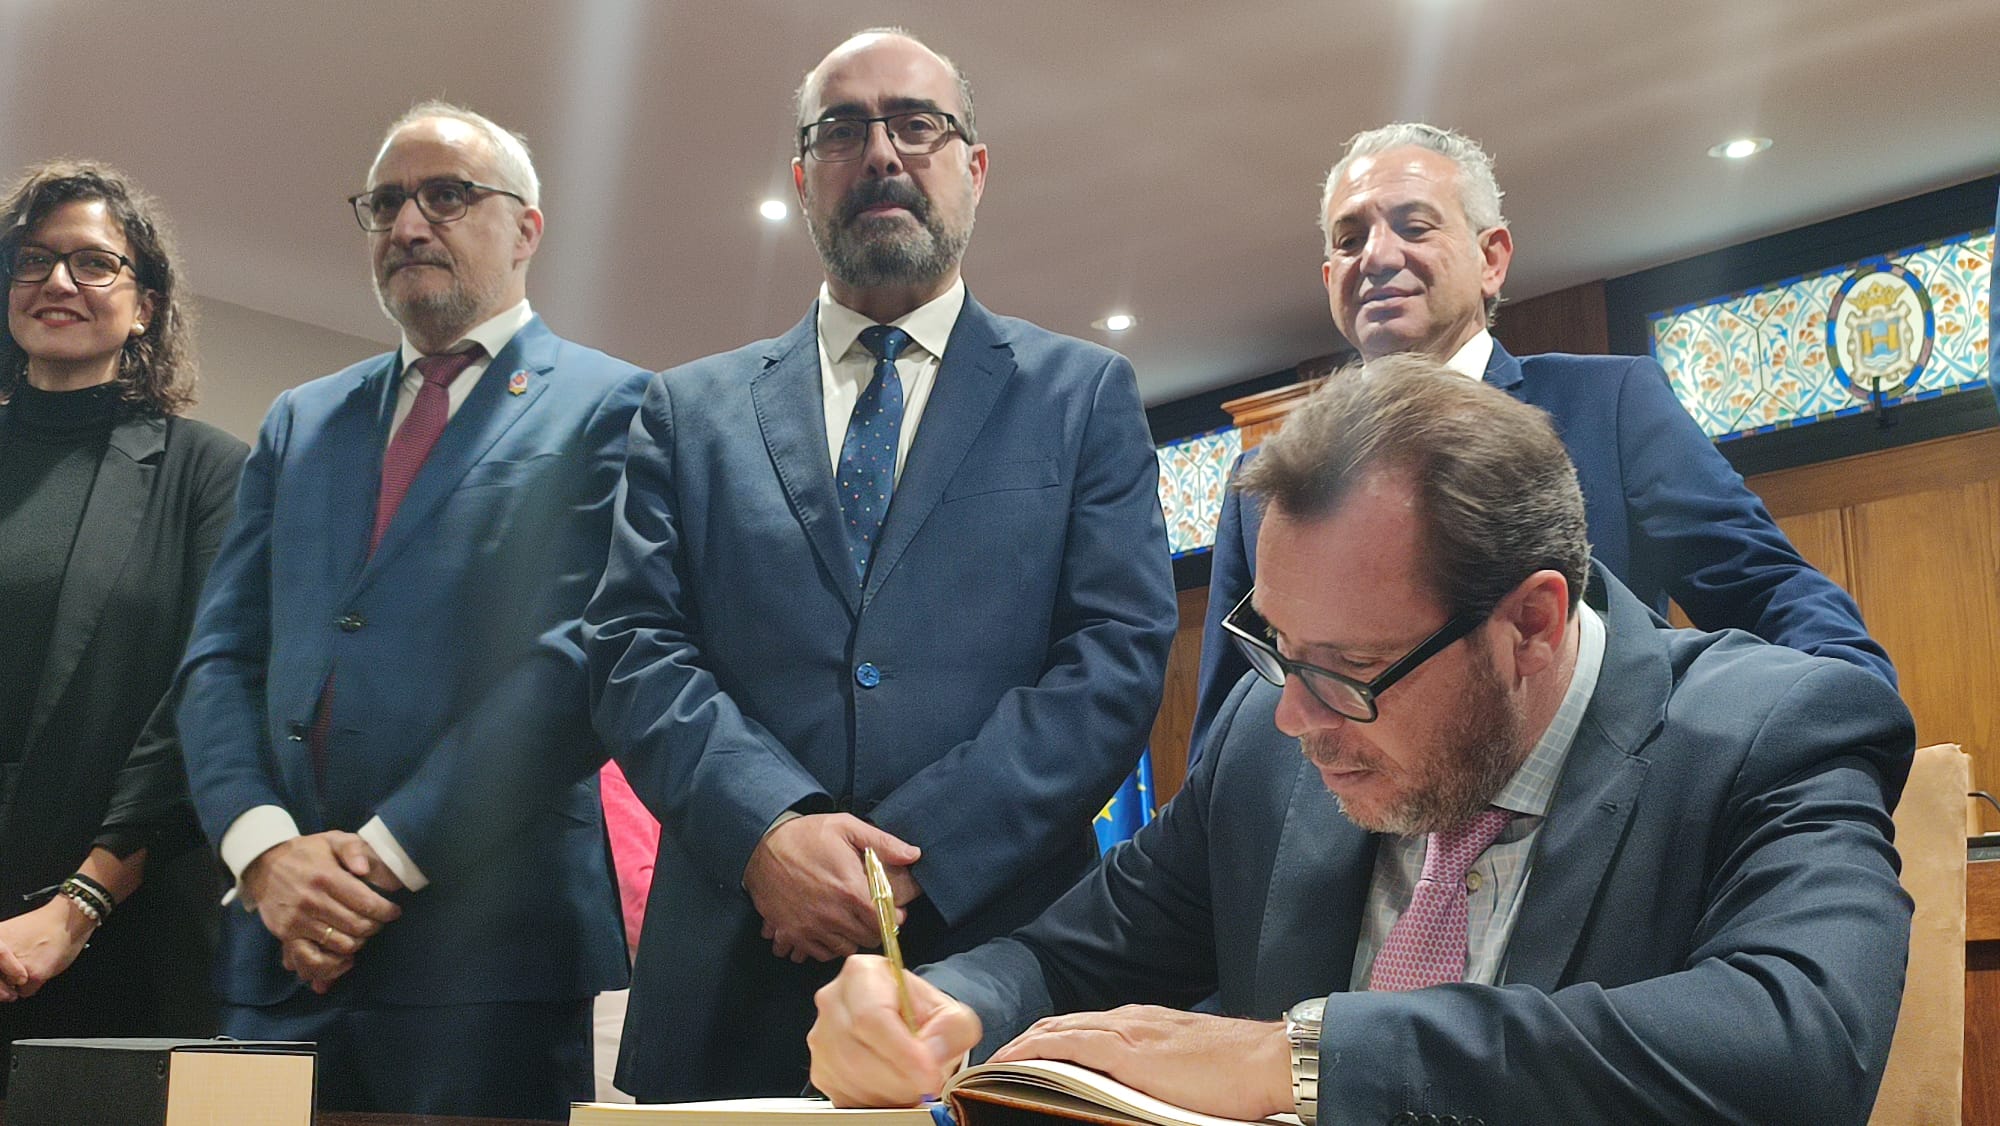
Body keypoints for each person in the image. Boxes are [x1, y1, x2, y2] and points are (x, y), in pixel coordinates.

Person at [809, 356, 1914, 1125]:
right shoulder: (1261, 741)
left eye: (1342, 670)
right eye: (1275, 647)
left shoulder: (1772, 731)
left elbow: (1796, 1046)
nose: (1295, 714)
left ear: (1528, 623)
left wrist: (1294, 1060)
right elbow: (1063, 957)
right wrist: (941, 1005)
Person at [586, 28, 1177, 1100]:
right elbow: (632, 648)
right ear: (802, 175)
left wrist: (906, 864)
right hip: (730, 959)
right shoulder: (683, 412)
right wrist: (768, 828)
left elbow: (1116, 658)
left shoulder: (1081, 396)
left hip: (994, 964)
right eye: (842, 129)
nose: (882, 154)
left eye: (917, 124)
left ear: (974, 167)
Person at [177, 103, 643, 1120]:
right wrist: (263, 850)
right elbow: (220, 657)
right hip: (278, 948)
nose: (407, 224)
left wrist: (380, 858)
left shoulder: (617, 406)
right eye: (385, 202)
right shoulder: (302, 419)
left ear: (526, 227)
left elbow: (581, 659)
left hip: (488, 961)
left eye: (447, 195)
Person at [1189, 123, 1893, 761]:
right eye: (1348, 239)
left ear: (1491, 258)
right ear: (1328, 279)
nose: (1376, 255)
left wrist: (1847, 736)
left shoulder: (1610, 406)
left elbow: (1768, 593)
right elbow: (1234, 724)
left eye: (1414, 224)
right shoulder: (1266, 484)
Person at [0, 161, 245, 1088]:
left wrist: (81, 901)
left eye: (95, 263)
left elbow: (211, 694)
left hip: (126, 931)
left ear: (144, 305)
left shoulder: (209, 473)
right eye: (33, 260)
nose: (59, 281)